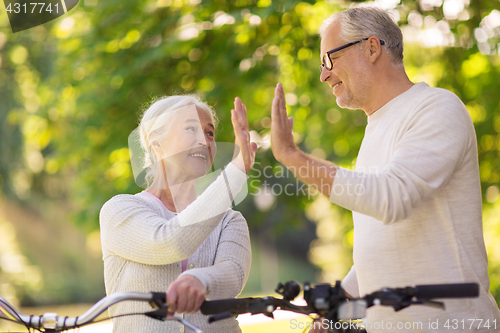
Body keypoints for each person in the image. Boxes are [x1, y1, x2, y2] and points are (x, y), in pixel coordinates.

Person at [270, 6, 500, 333]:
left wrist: (293, 157)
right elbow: (382, 246)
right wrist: (334, 308)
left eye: (329, 60)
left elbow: (391, 198)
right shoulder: (375, 130)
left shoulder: (436, 108)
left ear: (372, 48)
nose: (324, 75)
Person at [99, 94, 257, 332]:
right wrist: (235, 173)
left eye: (209, 133)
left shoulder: (229, 219)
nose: (204, 141)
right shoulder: (119, 209)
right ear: (157, 142)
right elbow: (169, 242)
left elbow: (233, 275)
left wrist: (201, 280)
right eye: (191, 129)